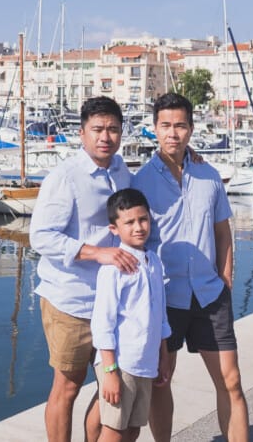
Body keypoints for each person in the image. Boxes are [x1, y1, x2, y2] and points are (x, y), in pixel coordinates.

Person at [132, 91, 249, 442]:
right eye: (165, 125)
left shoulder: (209, 176)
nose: (173, 133)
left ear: (191, 129)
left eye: (180, 125)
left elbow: (222, 232)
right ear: (154, 129)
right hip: (165, 297)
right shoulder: (141, 181)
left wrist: (226, 278)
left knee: (231, 382)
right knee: (161, 381)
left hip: (210, 295)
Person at [30, 96, 137, 442]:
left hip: (112, 303)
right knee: (68, 386)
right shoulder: (66, 177)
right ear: (82, 133)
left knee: (116, 382)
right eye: (97, 129)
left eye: (113, 129)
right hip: (71, 301)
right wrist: (96, 253)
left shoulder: (123, 171)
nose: (105, 136)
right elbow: (41, 237)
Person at [90, 187, 171, 442]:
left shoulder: (154, 262)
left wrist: (163, 356)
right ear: (114, 229)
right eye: (129, 222)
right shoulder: (113, 269)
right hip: (121, 363)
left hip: (145, 362)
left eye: (143, 219)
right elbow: (103, 323)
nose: (138, 227)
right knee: (114, 430)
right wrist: (110, 371)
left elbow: (160, 316)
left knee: (134, 428)